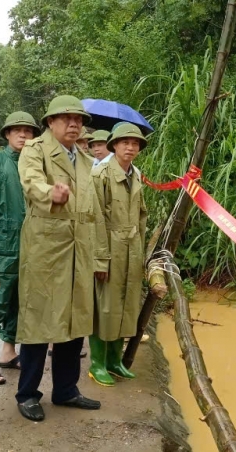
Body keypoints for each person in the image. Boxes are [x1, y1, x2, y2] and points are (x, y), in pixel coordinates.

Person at [14, 94, 109, 422]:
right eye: (67, 118)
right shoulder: (35, 150)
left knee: (75, 321)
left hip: (79, 250)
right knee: (39, 321)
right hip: (46, 249)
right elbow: (31, 183)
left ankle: (66, 390)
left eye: (79, 120)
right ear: (50, 122)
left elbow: (93, 211)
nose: (74, 124)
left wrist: (99, 257)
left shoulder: (84, 160)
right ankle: (27, 393)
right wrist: (48, 193)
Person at [88, 122, 165, 386]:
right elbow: (94, 218)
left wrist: (142, 253)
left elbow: (142, 216)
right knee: (105, 307)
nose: (130, 147)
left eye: (135, 144)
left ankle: (114, 361)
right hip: (109, 249)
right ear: (114, 146)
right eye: (125, 143)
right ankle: (97, 364)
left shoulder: (136, 175)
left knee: (126, 305)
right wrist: (99, 258)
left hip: (131, 250)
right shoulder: (100, 175)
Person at [0, 111, 40, 385]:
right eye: (17, 130)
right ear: (7, 134)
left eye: (28, 131)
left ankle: (9, 351)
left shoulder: (35, 164)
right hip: (1, 244)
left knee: (20, 301)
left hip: (31, 245)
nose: (23, 135)